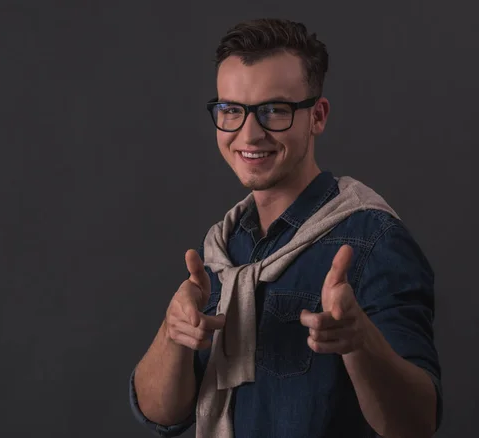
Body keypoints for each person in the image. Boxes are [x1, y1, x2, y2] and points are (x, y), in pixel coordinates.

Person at [128, 18, 442, 438]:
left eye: (274, 110)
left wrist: (360, 341)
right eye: (231, 111)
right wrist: (173, 333)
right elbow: (162, 416)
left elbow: (418, 424)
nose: (249, 133)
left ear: (318, 116)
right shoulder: (223, 249)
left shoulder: (373, 240)